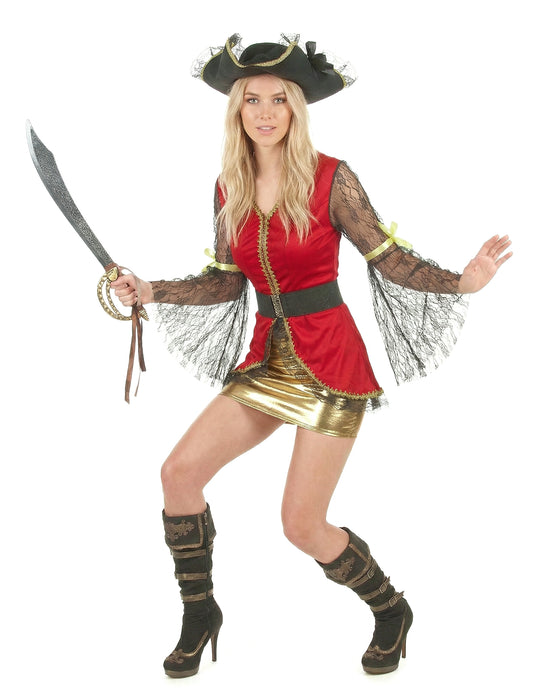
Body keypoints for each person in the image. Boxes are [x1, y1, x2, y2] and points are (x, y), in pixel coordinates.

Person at [111, 34, 512, 679]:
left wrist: (460, 283)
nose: (265, 112)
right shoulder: (229, 186)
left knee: (300, 525)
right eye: (252, 100)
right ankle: (200, 611)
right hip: (266, 359)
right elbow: (225, 282)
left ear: (296, 108)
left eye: (278, 99)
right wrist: (151, 290)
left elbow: (385, 256)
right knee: (178, 474)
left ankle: (391, 608)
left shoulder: (331, 177)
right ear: (237, 110)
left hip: (331, 362)